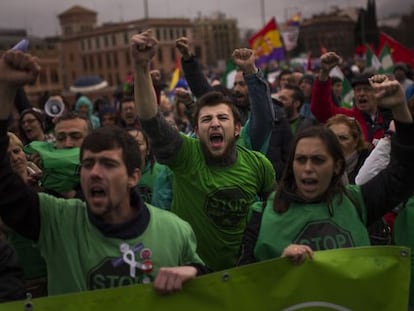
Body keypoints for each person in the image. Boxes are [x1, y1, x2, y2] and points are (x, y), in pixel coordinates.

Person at [0, 48, 206, 296]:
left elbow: (207, 286)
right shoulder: (56, 220)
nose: (94, 173)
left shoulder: (175, 231)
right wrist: (5, 90)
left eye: (108, 164)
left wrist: (196, 274)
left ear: (134, 176)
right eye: (88, 164)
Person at [131, 30, 275, 271]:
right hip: (190, 276)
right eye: (207, 119)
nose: (215, 123)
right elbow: (151, 121)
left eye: (222, 117)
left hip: (245, 276)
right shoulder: (186, 155)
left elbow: (277, 212)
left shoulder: (259, 164)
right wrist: (141, 66)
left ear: (238, 128)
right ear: (196, 131)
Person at [238, 74, 414, 265]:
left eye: (318, 160)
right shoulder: (261, 214)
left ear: (337, 165)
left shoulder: (358, 203)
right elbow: (246, 279)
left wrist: (399, 109)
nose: (308, 168)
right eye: (301, 159)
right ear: (291, 165)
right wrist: (278, 265)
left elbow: (403, 172)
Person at [311, 52, 392, 143]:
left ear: (378, 92)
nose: (361, 94)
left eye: (366, 89)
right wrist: (324, 73)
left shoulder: (390, 117)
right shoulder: (346, 118)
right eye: (357, 90)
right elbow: (321, 109)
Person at [325, 114, 370, 184]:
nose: (336, 142)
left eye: (343, 138)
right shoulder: (319, 164)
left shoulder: (367, 164)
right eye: (331, 137)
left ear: (356, 141)